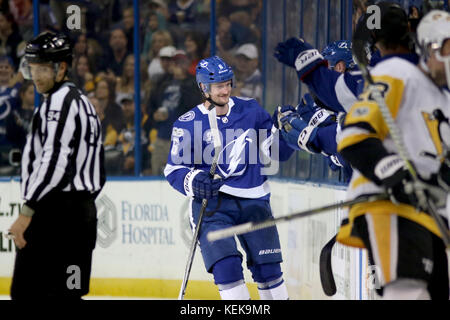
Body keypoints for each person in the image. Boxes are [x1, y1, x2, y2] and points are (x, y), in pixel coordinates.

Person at [335, 9, 450, 300]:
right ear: (426, 46)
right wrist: (396, 174)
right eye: (447, 48)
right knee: (407, 294)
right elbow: (356, 134)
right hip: (388, 204)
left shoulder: (445, 98)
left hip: (427, 215)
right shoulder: (397, 72)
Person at [164, 56, 294, 300]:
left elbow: (274, 153)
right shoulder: (187, 124)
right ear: (204, 88)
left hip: (254, 201)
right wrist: (194, 181)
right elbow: (173, 170)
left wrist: (287, 134)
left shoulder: (251, 110)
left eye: (227, 84)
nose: (225, 90)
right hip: (214, 207)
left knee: (269, 271)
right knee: (227, 268)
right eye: (218, 86)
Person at [7, 31, 105, 300]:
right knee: (67, 294)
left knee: (29, 294)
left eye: (42, 68)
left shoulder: (60, 103)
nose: (36, 75)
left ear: (61, 67)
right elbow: (97, 168)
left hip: (56, 215)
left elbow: (55, 161)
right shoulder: (83, 104)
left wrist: (27, 211)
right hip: (79, 213)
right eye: (32, 67)